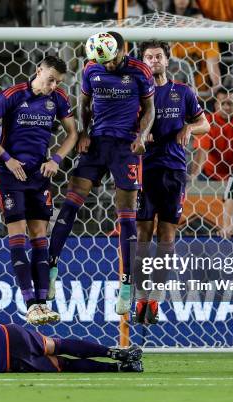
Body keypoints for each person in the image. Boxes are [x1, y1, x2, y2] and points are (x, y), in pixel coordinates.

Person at [47, 31, 155, 316]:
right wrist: (83, 132)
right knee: (71, 202)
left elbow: (149, 109)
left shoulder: (140, 71)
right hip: (96, 143)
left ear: (122, 51)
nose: (106, 66)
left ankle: (127, 286)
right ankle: (50, 266)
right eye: (101, 61)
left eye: (110, 60)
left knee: (126, 214)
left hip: (126, 147)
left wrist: (142, 135)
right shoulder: (91, 68)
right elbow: (83, 103)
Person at [0, 56, 78, 325]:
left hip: (38, 175)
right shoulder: (12, 94)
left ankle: (44, 303)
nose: (53, 85)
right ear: (39, 71)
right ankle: (30, 303)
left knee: (39, 236)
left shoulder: (58, 98)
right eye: (50, 79)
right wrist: (6, 158)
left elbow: (73, 133)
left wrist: (56, 159)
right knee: (19, 233)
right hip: (10, 175)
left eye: (58, 81)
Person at [135, 40, 209, 324]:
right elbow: (124, 125)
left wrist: (190, 126)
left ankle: (155, 301)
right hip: (144, 169)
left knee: (167, 236)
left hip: (174, 171)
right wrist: (140, 133)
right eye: (148, 57)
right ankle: (141, 298)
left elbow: (206, 124)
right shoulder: (137, 95)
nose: (153, 61)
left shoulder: (182, 92)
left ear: (167, 61)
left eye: (158, 57)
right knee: (143, 235)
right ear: (142, 62)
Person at [0, 310, 144, 373]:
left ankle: (120, 367)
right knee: (58, 344)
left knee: (64, 364)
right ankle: (116, 352)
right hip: (6, 336)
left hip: (4, 364)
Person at [192, 89, 233, 181]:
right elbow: (202, 151)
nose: (226, 107)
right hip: (210, 174)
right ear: (216, 105)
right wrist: (194, 178)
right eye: (222, 103)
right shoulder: (207, 121)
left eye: (230, 103)